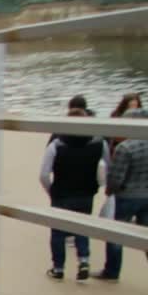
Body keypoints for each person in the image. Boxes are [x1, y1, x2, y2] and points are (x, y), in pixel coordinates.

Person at [39, 108, 108, 281]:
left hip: (61, 193)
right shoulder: (100, 144)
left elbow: (44, 174)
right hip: (86, 192)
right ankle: (83, 260)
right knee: (82, 227)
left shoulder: (56, 145)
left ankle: (58, 268)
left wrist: (51, 190)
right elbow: (108, 166)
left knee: (57, 233)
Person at [97, 108, 148, 282]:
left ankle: (112, 272)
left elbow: (116, 178)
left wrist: (109, 190)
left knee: (116, 234)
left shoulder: (125, 147)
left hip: (127, 196)